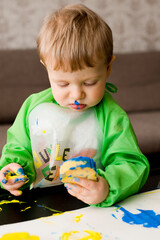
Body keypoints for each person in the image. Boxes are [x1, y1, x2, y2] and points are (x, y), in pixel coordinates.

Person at [0, 4, 149, 207]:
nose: (77, 94)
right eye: (62, 84)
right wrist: (14, 168)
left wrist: (108, 186)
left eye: (89, 83)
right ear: (47, 68)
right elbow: (19, 148)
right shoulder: (33, 108)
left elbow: (132, 164)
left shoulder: (112, 117)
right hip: (39, 202)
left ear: (108, 68)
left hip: (93, 205)